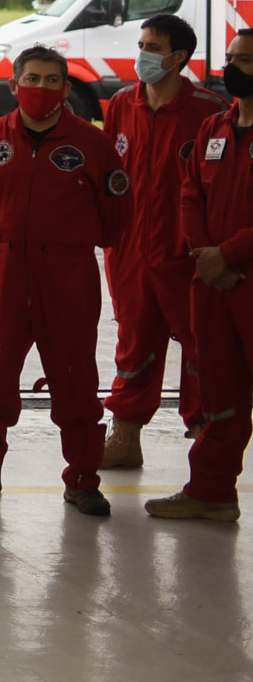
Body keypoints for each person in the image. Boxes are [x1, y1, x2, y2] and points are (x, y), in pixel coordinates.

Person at [0, 46, 127, 516]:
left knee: (75, 378)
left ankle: (83, 480)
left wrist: (66, 244)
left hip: (69, 275)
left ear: (67, 89)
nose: (42, 88)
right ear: (13, 85)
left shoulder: (91, 143)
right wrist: (11, 242)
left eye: (52, 80)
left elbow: (116, 214)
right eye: (32, 78)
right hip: (6, 270)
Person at [100, 12, 223, 468]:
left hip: (186, 253)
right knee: (134, 344)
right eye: (142, 44)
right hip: (130, 250)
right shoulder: (120, 105)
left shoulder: (208, 112)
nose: (143, 54)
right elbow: (109, 177)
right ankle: (125, 438)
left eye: (153, 47)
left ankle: (207, 445)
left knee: (200, 346)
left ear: (179, 57)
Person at [149, 29, 253, 522]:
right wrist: (204, 255)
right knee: (219, 393)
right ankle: (211, 491)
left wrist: (228, 255)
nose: (234, 68)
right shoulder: (214, 128)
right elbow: (189, 195)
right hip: (212, 284)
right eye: (232, 58)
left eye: (246, 61)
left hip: (242, 278)